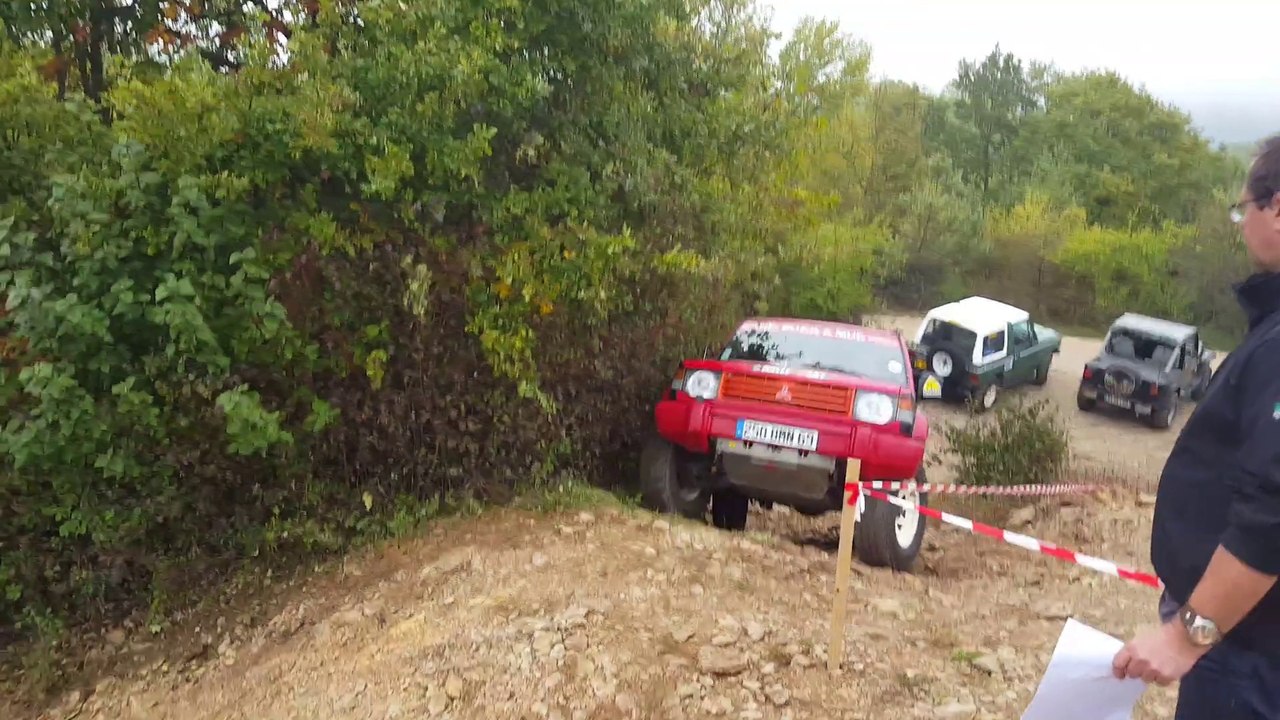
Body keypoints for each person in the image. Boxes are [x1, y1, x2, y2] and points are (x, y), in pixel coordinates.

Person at [1111, 133, 1280, 717]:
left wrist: (1187, 636)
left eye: (1244, 208)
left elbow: (1273, 512)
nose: (1239, 223)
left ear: (1277, 208)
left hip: (1254, 656)